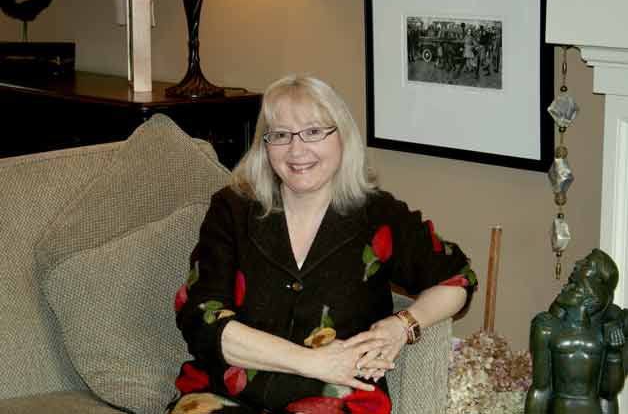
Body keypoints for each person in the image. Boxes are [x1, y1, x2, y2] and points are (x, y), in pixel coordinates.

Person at [168, 75, 477, 413]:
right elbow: (202, 319)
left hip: (334, 400)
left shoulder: (378, 215)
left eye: (314, 132)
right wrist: (311, 362)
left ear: (342, 138)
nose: (297, 150)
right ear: (264, 145)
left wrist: (404, 325)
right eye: (281, 135)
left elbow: (457, 278)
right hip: (225, 396)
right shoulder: (233, 209)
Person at [525, 249, 628, 414]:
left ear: (599, 281)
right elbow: (541, 388)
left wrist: (614, 350)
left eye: (587, 264)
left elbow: (608, 393)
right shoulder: (552, 320)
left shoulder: (613, 322)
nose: (577, 264)